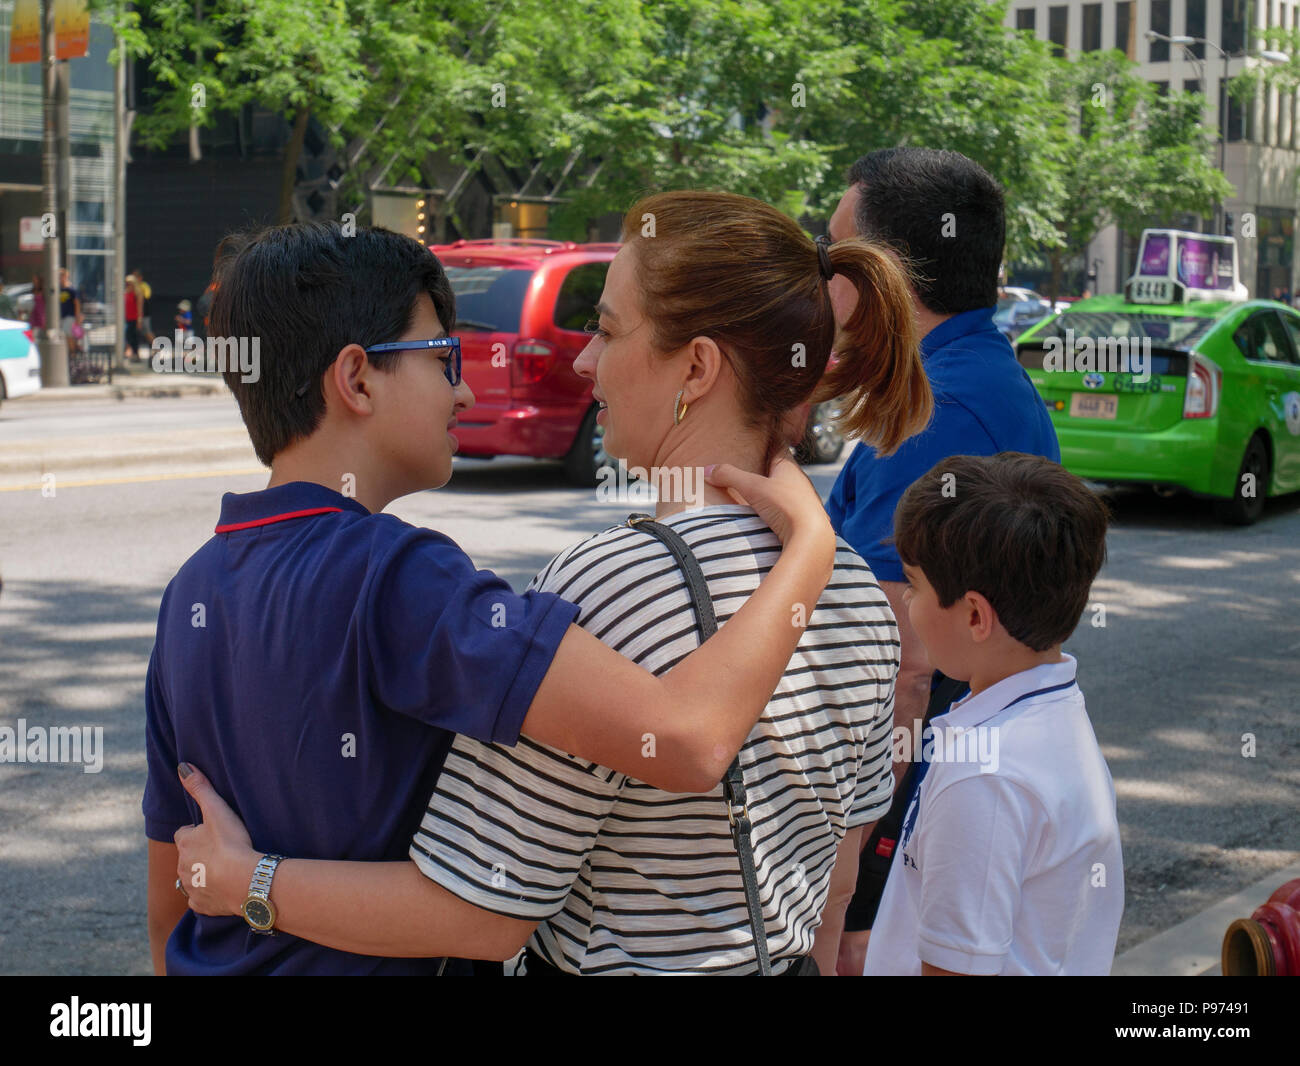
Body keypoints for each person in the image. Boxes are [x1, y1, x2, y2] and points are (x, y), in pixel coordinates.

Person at [172, 191, 933, 975]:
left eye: (605, 330)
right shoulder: (852, 589)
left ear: (697, 368)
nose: (582, 359)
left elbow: (483, 904)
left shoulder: (609, 586)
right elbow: (837, 886)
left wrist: (251, 883)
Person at [823, 148, 1061, 972]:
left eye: (836, 257)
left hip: (912, 808)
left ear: (882, 272)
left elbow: (903, 667)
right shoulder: (966, 378)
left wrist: (854, 872)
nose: (825, 285)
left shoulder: (938, 406)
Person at [863, 452, 1123, 975]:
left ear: (975, 615)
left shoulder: (986, 778)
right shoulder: (1043, 715)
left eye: (914, 585)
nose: (907, 602)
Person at [58, 267, 82, 355]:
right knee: (63, 335)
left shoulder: (71, 289)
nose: (59, 278)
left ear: (65, 276)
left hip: (70, 315)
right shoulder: (58, 289)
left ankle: (72, 353)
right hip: (62, 316)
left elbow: (77, 303)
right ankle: (69, 352)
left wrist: (77, 316)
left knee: (67, 333)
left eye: (61, 276)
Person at [133, 268, 154, 344]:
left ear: (140, 278)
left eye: (136, 277)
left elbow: (146, 297)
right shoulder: (132, 287)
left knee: (147, 332)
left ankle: (157, 349)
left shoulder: (144, 286)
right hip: (134, 314)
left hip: (144, 314)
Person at [124, 274, 141, 362]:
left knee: (133, 337)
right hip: (126, 318)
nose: (128, 285)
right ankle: (132, 353)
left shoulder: (137, 293)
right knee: (128, 336)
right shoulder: (125, 292)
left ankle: (136, 354)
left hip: (134, 318)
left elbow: (139, 307)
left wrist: (139, 320)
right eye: (127, 283)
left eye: (130, 283)